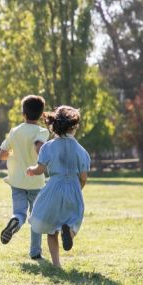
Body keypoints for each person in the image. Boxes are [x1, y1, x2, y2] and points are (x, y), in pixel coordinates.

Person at [27, 106, 90, 268]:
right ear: (74, 127)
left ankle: (56, 264)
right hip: (73, 188)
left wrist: (31, 170)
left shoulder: (48, 147)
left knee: (51, 229)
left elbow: (40, 169)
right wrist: (78, 189)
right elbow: (83, 177)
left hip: (53, 187)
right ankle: (68, 233)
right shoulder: (81, 151)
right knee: (74, 221)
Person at [0, 95, 49, 260]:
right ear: (41, 115)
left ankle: (15, 221)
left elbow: (2, 155)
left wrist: (15, 153)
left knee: (19, 212)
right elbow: (39, 148)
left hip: (16, 180)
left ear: (23, 114)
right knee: (36, 217)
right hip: (35, 180)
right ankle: (35, 252)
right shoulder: (42, 131)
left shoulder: (15, 131)